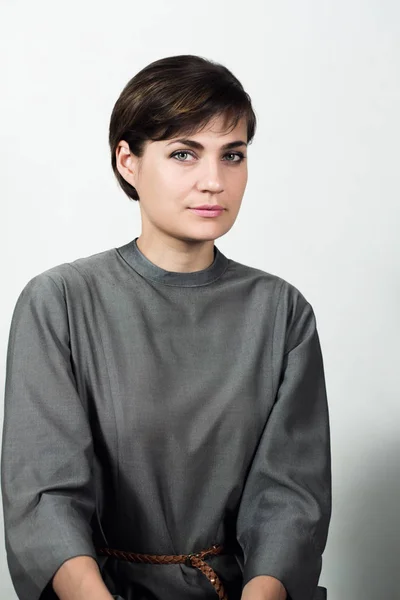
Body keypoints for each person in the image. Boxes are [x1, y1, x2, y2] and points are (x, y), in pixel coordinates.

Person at [1, 54, 331, 600]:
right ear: (127, 161)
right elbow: (45, 497)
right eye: (184, 153)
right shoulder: (59, 301)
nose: (214, 180)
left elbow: (289, 499)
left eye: (233, 155)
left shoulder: (281, 312)